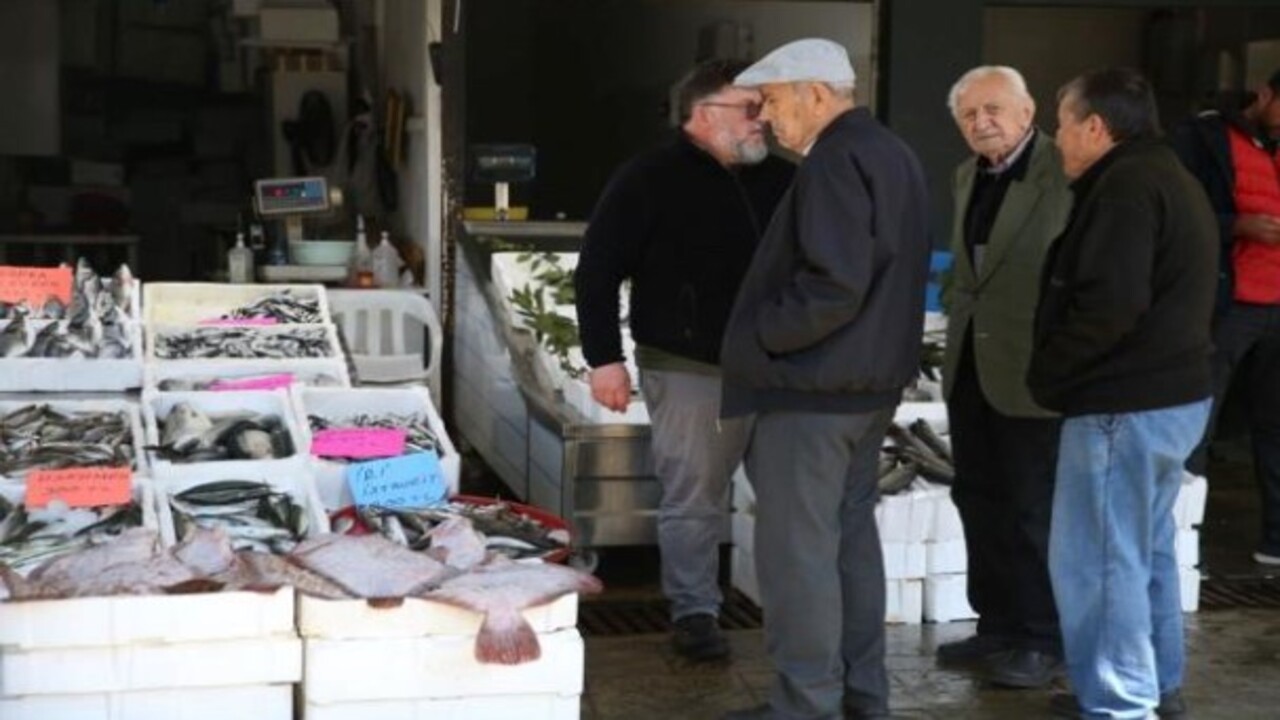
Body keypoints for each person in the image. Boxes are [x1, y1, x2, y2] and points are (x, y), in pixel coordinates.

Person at [718, 38, 930, 720]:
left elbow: (833, 286)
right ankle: (861, 697)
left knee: (799, 559)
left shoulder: (837, 158)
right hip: (863, 393)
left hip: (812, 393)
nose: (767, 119)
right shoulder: (891, 152)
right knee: (848, 548)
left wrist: (759, 335)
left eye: (775, 101)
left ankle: (805, 705)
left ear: (816, 93)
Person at [574, 59, 794, 662]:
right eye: (749, 109)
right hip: (690, 365)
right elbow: (597, 271)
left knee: (789, 498)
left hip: (779, 368)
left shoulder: (785, 180)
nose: (762, 122)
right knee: (694, 496)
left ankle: (796, 614)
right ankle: (695, 611)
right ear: (703, 115)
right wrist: (604, 359)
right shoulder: (647, 178)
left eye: (764, 108)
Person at [1028, 67, 1216, 720]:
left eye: (1060, 125)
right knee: (1146, 556)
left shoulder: (1127, 187)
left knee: (1102, 567)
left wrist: (1049, 375)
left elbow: (1109, 307)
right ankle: (1155, 690)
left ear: (1095, 127)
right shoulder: (1166, 176)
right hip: (1169, 400)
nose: (1056, 140)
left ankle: (1118, 704)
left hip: (1123, 406)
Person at [937, 65, 1071, 688]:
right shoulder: (969, 175)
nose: (980, 121)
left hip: (1031, 370)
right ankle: (996, 625)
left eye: (992, 108)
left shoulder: (1063, 169)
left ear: (1027, 110)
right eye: (968, 114)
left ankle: (1043, 637)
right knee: (978, 499)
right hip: (971, 366)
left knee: (1031, 507)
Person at [1172, 69, 1280, 566]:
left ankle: (1276, 542)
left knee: (1276, 426)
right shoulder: (1204, 138)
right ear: (1264, 96)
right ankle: (1176, 541)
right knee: (1197, 421)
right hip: (1228, 303)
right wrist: (1237, 225)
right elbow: (1176, 213)